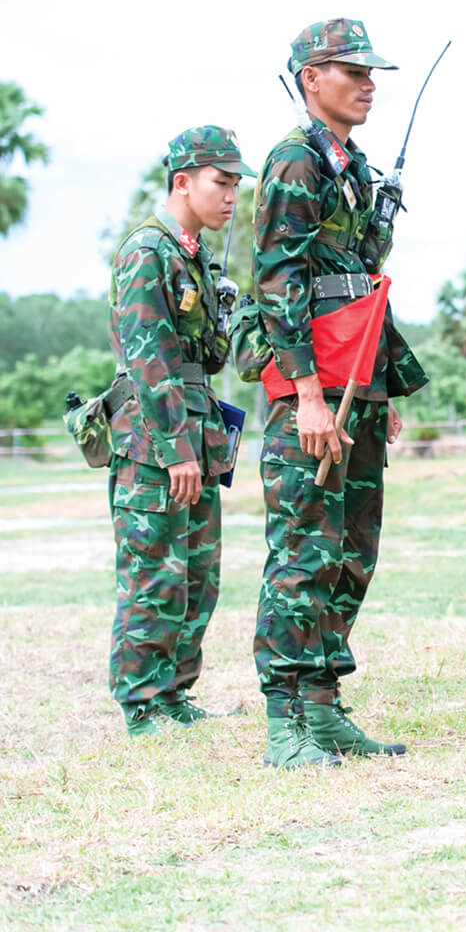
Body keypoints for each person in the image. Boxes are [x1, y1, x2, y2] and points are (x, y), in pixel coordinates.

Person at [251, 18, 428, 769]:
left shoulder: (348, 161)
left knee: (351, 551)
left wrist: (374, 393)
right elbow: (279, 280)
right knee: (302, 550)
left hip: (356, 380)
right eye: (351, 71)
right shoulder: (296, 160)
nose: (369, 84)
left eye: (371, 72)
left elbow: (358, 282)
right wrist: (311, 396)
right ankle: (285, 722)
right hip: (311, 387)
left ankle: (323, 709)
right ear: (310, 76)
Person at [106, 126, 254, 736]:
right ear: (183, 180)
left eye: (236, 185)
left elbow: (207, 359)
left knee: (197, 573)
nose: (230, 197)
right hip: (154, 440)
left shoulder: (194, 256)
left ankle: (173, 696)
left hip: (194, 426)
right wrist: (174, 451)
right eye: (221, 183)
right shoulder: (148, 251)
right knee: (154, 572)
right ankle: (143, 705)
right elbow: (148, 359)